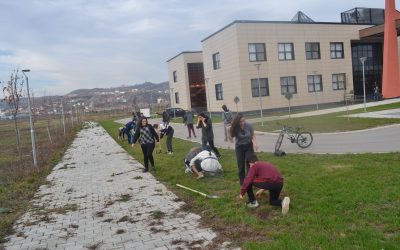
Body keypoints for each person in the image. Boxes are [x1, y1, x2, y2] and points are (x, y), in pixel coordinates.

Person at [229, 113, 258, 185]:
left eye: (244, 121)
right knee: (241, 165)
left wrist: (255, 143)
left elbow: (253, 135)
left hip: (248, 146)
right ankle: (242, 183)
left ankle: (250, 180)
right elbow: (231, 140)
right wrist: (228, 132)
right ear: (237, 122)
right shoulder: (235, 127)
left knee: (251, 163)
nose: (243, 123)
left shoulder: (249, 126)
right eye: (241, 121)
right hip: (239, 147)